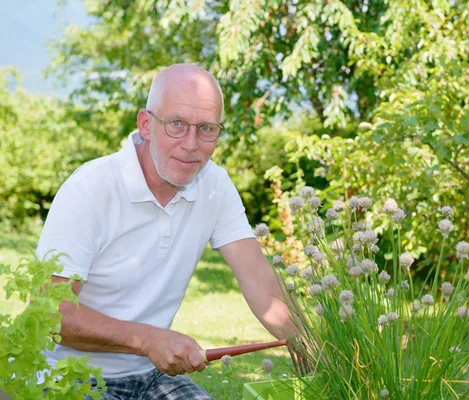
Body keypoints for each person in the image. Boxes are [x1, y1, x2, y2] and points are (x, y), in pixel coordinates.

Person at [36, 64, 305, 399]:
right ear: (146, 124)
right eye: (177, 124)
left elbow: (259, 279)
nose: (191, 144)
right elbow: (51, 314)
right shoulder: (90, 188)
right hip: (70, 376)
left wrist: (312, 344)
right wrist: (149, 340)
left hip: (150, 375)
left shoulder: (214, 185)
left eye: (206, 128)